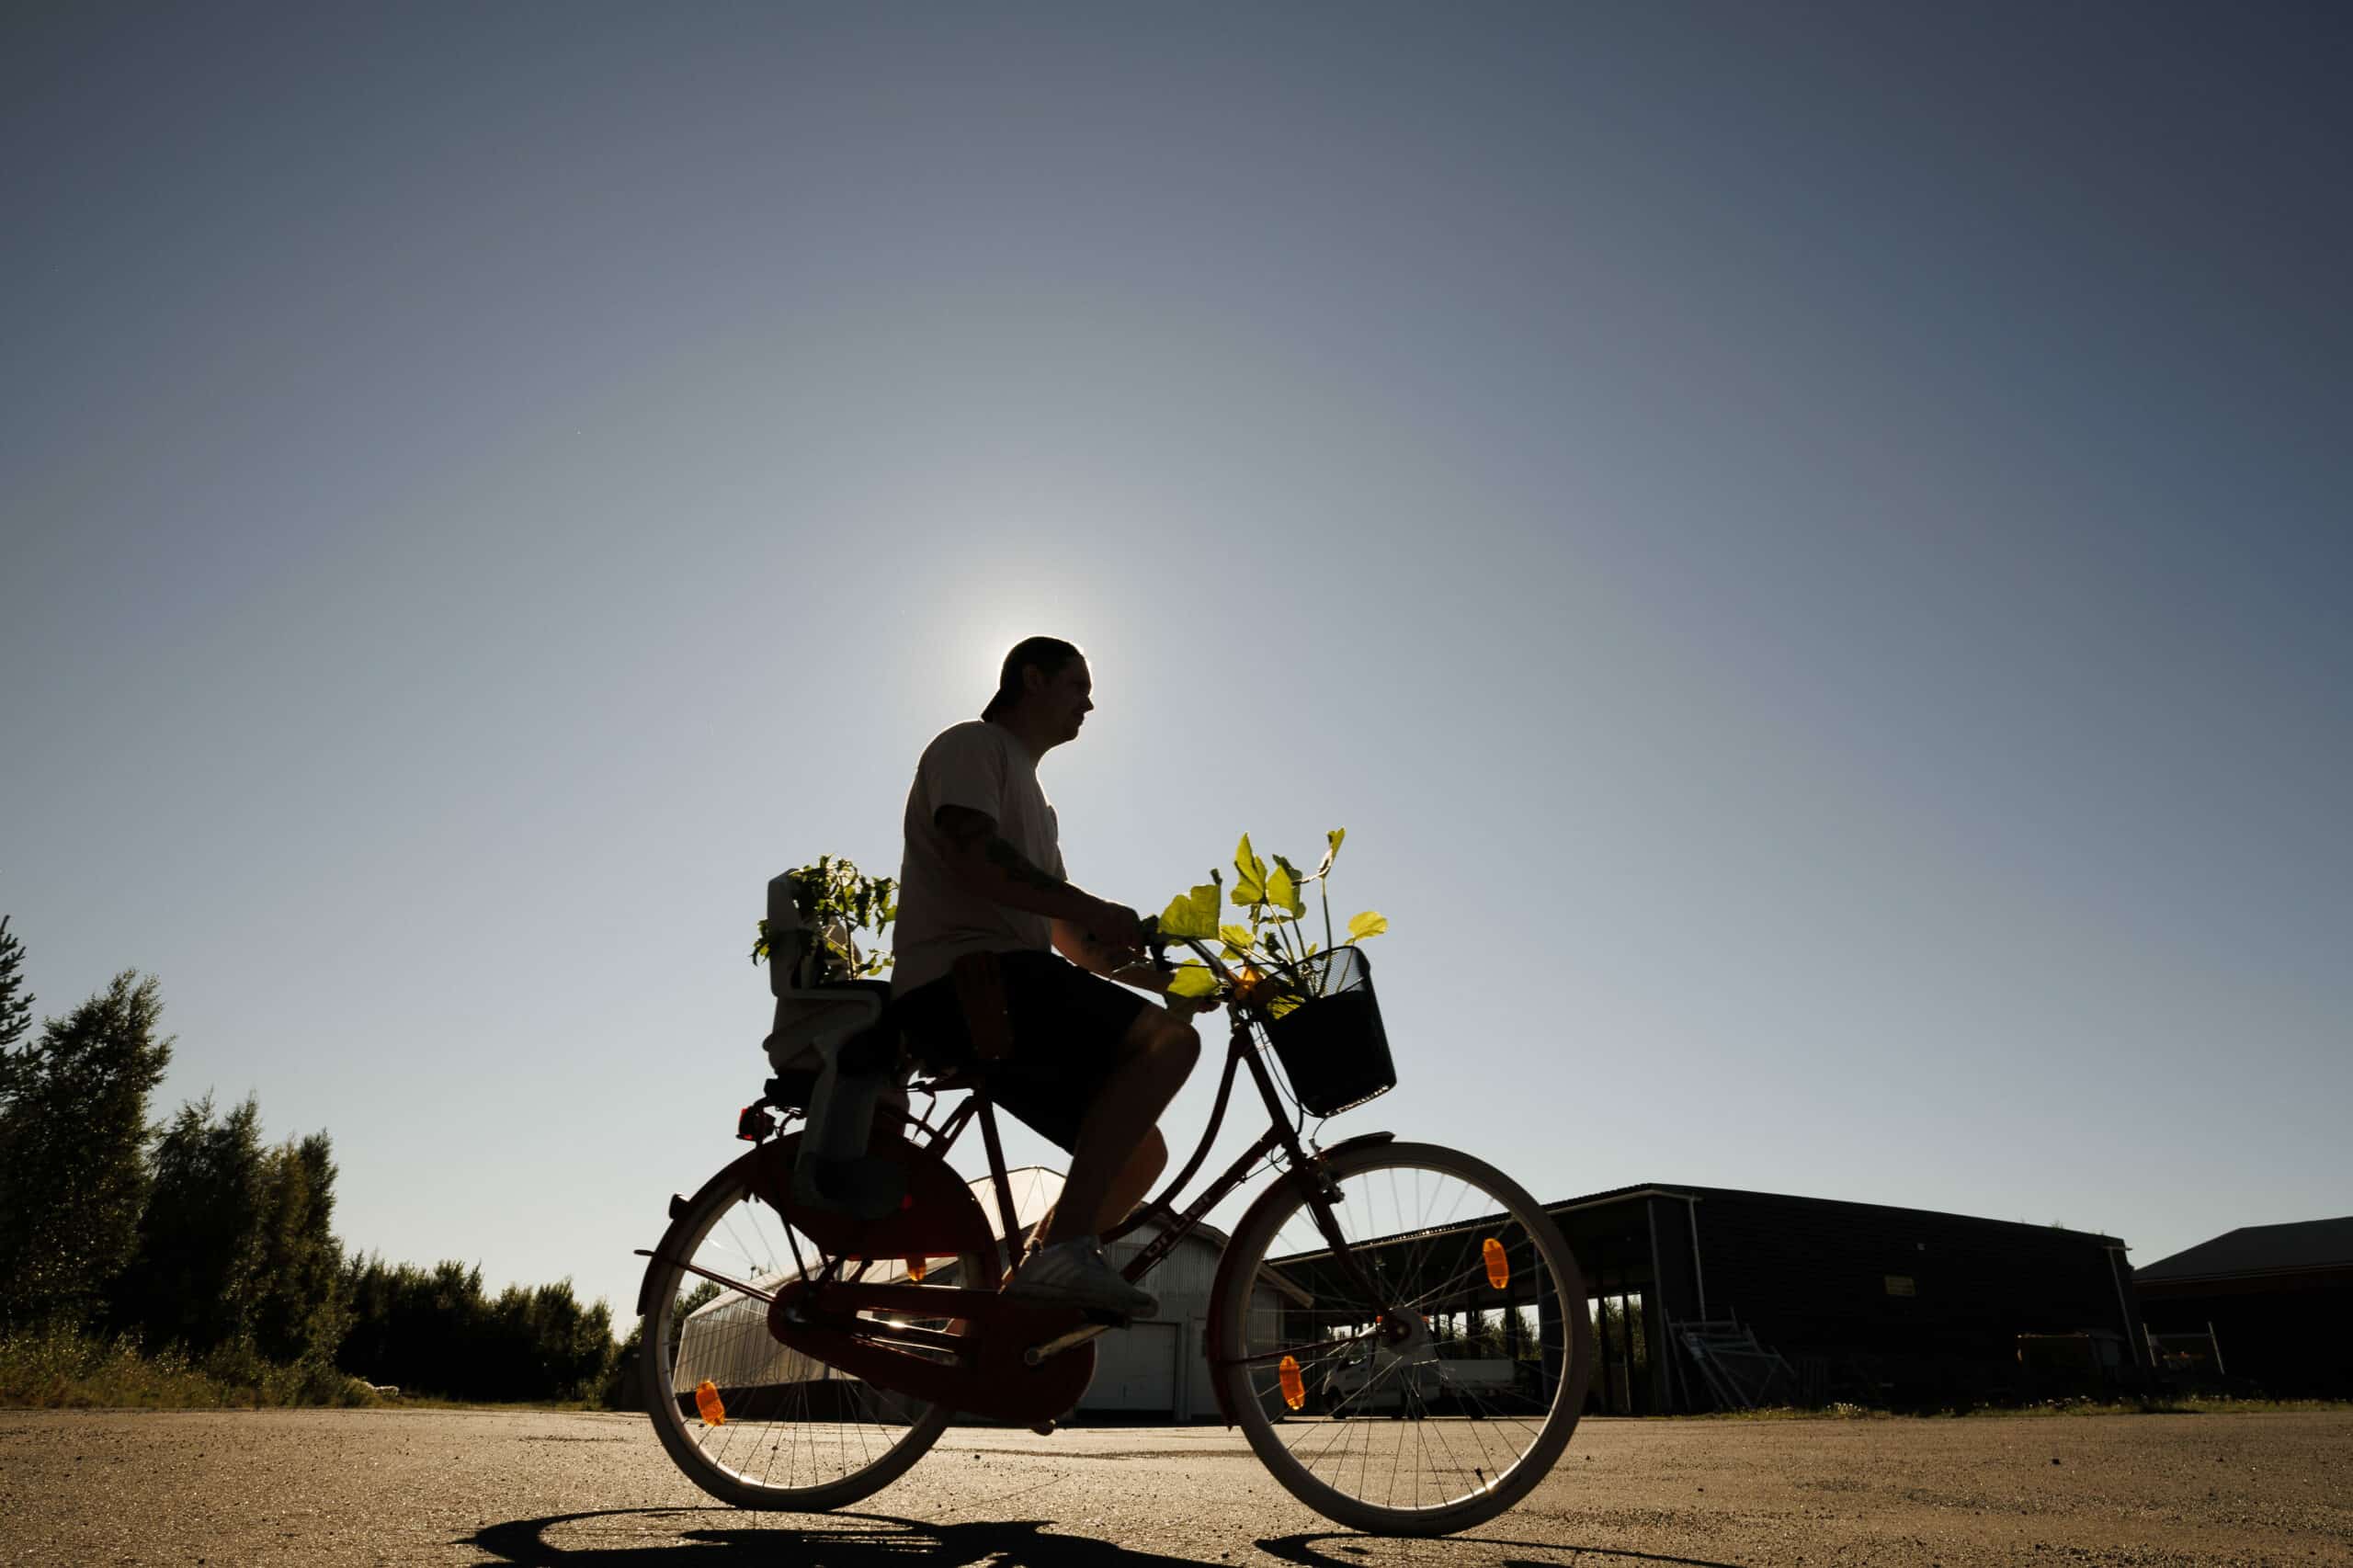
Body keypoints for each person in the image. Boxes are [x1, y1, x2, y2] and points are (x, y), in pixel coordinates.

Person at [891, 636, 1204, 1318]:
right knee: (1170, 1045)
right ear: (1032, 679)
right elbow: (975, 856)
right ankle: (1061, 1256)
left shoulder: (1039, 802)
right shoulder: (972, 746)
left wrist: (1173, 982)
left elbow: (1067, 940)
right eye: (1076, 686)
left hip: (1015, 982)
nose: (1089, 703)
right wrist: (1091, 907)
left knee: (1139, 1154)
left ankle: (1024, 1287)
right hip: (964, 983)